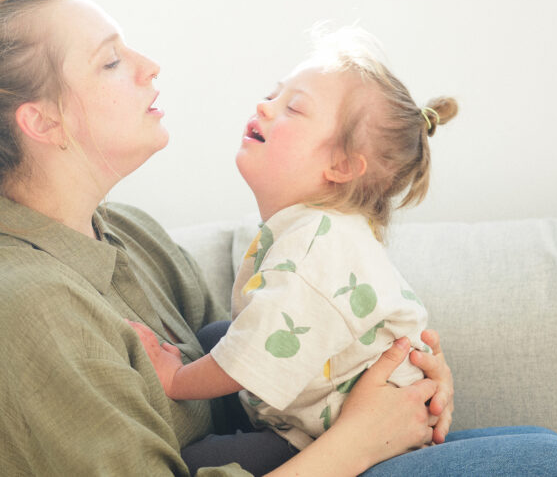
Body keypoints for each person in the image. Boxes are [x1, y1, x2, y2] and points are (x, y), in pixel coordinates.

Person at [0, 0, 557, 476]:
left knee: (529, 444)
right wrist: (361, 438)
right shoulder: (21, 312)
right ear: (43, 120)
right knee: (550, 464)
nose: (151, 67)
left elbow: (243, 377)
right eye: (111, 63)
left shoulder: (125, 235)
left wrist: (390, 378)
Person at [130, 26, 452, 469]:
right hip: (334, 403)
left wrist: (175, 379)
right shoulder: (314, 229)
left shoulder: (314, 248)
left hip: (345, 433)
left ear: (341, 165)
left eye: (293, 108)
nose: (264, 105)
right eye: (273, 94)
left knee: (197, 460)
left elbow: (254, 356)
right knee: (212, 338)